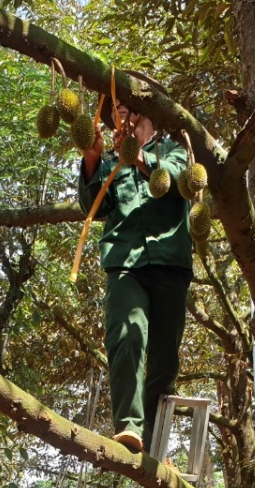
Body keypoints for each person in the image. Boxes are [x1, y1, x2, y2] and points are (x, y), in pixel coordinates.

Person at [79, 93, 193, 455]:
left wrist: (138, 157)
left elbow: (174, 181)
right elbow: (94, 206)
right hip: (125, 264)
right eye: (114, 108)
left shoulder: (174, 150)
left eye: (125, 103)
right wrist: (93, 155)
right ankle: (129, 426)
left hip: (170, 264)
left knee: (164, 360)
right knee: (126, 335)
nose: (119, 110)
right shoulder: (113, 161)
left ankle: (155, 444)